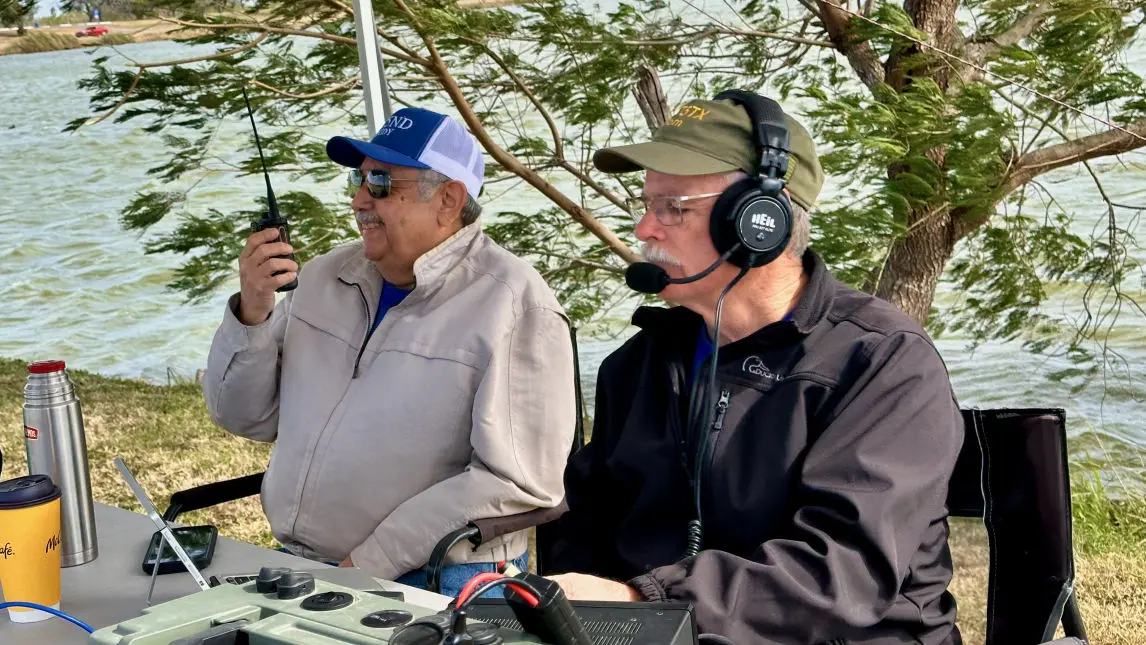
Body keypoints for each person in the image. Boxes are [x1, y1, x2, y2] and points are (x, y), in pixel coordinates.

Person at [544, 91, 965, 644]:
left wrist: (644, 602)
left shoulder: (882, 361)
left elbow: (841, 573)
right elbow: (589, 527)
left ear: (758, 222)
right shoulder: (642, 362)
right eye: (645, 205)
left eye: (673, 207)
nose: (645, 229)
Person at [202, 107, 577, 596]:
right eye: (358, 180)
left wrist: (365, 564)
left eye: (380, 182)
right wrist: (253, 313)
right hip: (302, 564)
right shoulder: (321, 277)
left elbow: (520, 482)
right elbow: (243, 417)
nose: (359, 200)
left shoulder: (514, 304)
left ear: (448, 199)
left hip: (435, 575)